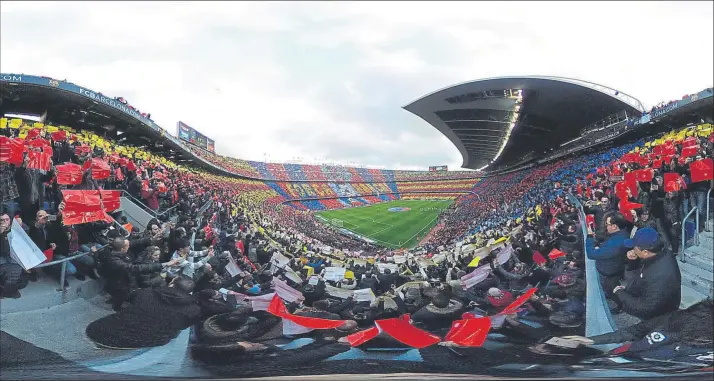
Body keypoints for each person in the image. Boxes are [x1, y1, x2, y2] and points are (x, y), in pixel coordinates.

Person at [85, 276, 202, 348]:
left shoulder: (146, 292)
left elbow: (129, 297)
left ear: (171, 284)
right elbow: (182, 326)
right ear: (190, 293)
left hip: (108, 332)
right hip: (154, 340)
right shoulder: (194, 310)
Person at [613, 228, 681, 320]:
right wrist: (634, 259)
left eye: (635, 247)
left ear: (645, 252)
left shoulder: (658, 276)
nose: (632, 249)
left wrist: (620, 293)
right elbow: (639, 273)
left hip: (658, 317)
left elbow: (645, 308)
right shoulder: (663, 253)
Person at [103, 237, 180, 311]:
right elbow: (134, 268)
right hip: (119, 282)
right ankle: (117, 308)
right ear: (122, 249)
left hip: (125, 280)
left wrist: (150, 238)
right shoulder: (114, 260)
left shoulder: (119, 250)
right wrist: (164, 265)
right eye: (128, 246)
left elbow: (135, 242)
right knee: (120, 297)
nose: (130, 245)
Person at [585, 212, 629, 308]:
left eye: (607, 224)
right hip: (615, 268)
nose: (606, 226)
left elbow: (591, 254)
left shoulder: (615, 244)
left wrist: (589, 237)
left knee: (611, 289)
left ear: (614, 226)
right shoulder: (622, 233)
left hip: (609, 272)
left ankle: (621, 305)